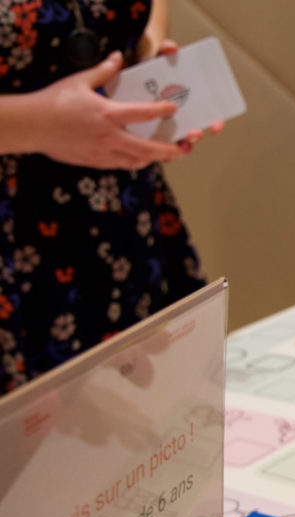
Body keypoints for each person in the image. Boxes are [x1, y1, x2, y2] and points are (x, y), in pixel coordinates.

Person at [0, 0, 219, 395]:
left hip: (114, 218)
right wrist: (33, 124)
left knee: (156, 432)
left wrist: (145, 55)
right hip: (13, 249)